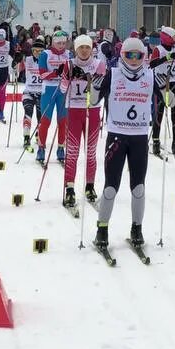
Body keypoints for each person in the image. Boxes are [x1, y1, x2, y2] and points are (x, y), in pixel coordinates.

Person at [93, 36, 159, 253]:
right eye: (128, 55)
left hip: (139, 137)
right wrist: (94, 86)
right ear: (122, 56)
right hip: (117, 137)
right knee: (111, 186)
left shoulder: (150, 76)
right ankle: (102, 229)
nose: (133, 60)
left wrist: (168, 90)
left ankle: (136, 228)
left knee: (138, 187)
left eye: (138, 56)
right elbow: (93, 102)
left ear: (144, 57)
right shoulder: (112, 74)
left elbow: (170, 102)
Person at [62, 34, 108, 209]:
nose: (84, 50)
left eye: (87, 47)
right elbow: (62, 88)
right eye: (81, 47)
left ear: (91, 49)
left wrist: (86, 77)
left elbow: (101, 86)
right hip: (73, 111)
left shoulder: (99, 64)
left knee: (91, 152)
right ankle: (70, 188)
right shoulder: (69, 64)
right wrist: (67, 76)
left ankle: (90, 186)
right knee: (72, 152)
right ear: (75, 49)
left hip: (93, 112)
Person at [35, 30, 71, 166]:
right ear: (53, 42)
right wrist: (56, 72)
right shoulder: (45, 54)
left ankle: (61, 148)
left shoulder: (68, 54)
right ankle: (41, 148)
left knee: (63, 122)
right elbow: (42, 74)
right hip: (48, 89)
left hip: (63, 89)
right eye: (58, 43)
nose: (61, 46)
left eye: (63, 43)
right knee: (45, 121)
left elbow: (73, 71)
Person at [148, 26, 175, 158]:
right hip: (160, 83)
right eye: (173, 37)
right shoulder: (159, 49)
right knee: (159, 112)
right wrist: (167, 57)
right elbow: (152, 64)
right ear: (166, 37)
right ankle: (156, 141)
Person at [20, 37, 45, 149]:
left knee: (41, 117)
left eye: (40, 51)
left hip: (42, 93)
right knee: (28, 113)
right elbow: (19, 58)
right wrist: (16, 58)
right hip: (29, 92)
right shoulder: (28, 59)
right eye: (35, 51)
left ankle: (38, 134)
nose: (37, 53)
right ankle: (26, 136)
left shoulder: (46, 61)